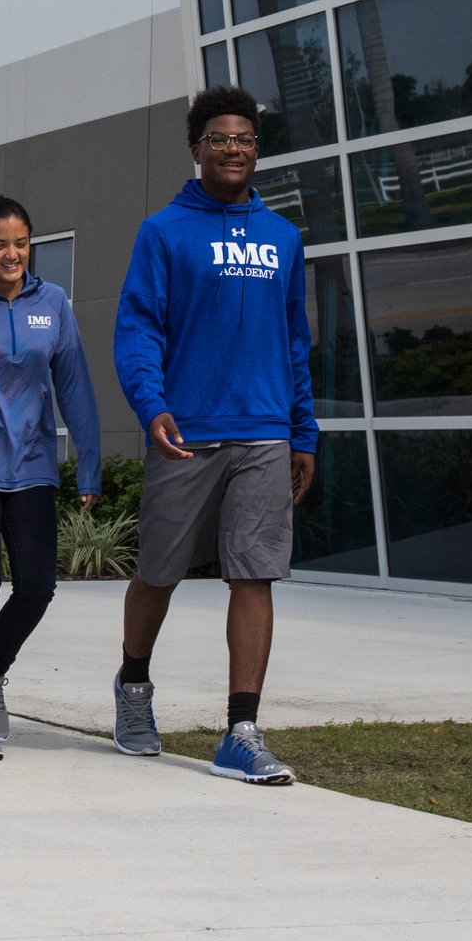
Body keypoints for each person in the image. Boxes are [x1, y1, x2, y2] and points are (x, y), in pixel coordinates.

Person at [109, 85, 315, 786]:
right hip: (187, 433)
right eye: (222, 139)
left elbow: (295, 344)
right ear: (197, 148)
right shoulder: (164, 232)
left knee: (254, 575)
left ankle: (242, 730)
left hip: (263, 432)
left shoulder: (284, 238)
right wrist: (152, 405)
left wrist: (303, 432)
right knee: (159, 573)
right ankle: (133, 685)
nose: (235, 149)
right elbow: (138, 328)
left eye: (247, 139)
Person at [0, 196, 102, 761]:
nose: (11, 254)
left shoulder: (53, 303)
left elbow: (76, 387)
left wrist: (89, 462)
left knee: (38, 587)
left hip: (34, 467)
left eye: (20, 244)